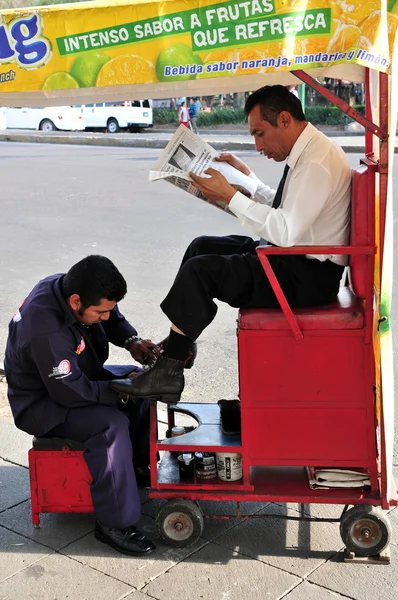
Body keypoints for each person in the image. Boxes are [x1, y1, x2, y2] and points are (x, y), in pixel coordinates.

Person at [111, 85, 351, 405]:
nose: (258, 144)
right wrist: (248, 181)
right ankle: (181, 346)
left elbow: (285, 230)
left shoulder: (316, 161)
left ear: (284, 119)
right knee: (202, 247)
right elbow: (287, 209)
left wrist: (231, 196)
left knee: (202, 271)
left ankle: (167, 375)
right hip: (293, 258)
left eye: (260, 134)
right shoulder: (310, 152)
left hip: (305, 277)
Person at [5, 255, 158, 556]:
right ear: (76, 302)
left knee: (141, 385)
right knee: (110, 426)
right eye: (99, 312)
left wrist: (132, 341)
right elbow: (70, 392)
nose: (105, 316)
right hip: (43, 402)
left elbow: (111, 316)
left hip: (74, 375)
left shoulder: (70, 286)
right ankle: (114, 523)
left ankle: (135, 469)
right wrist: (123, 392)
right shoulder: (45, 329)